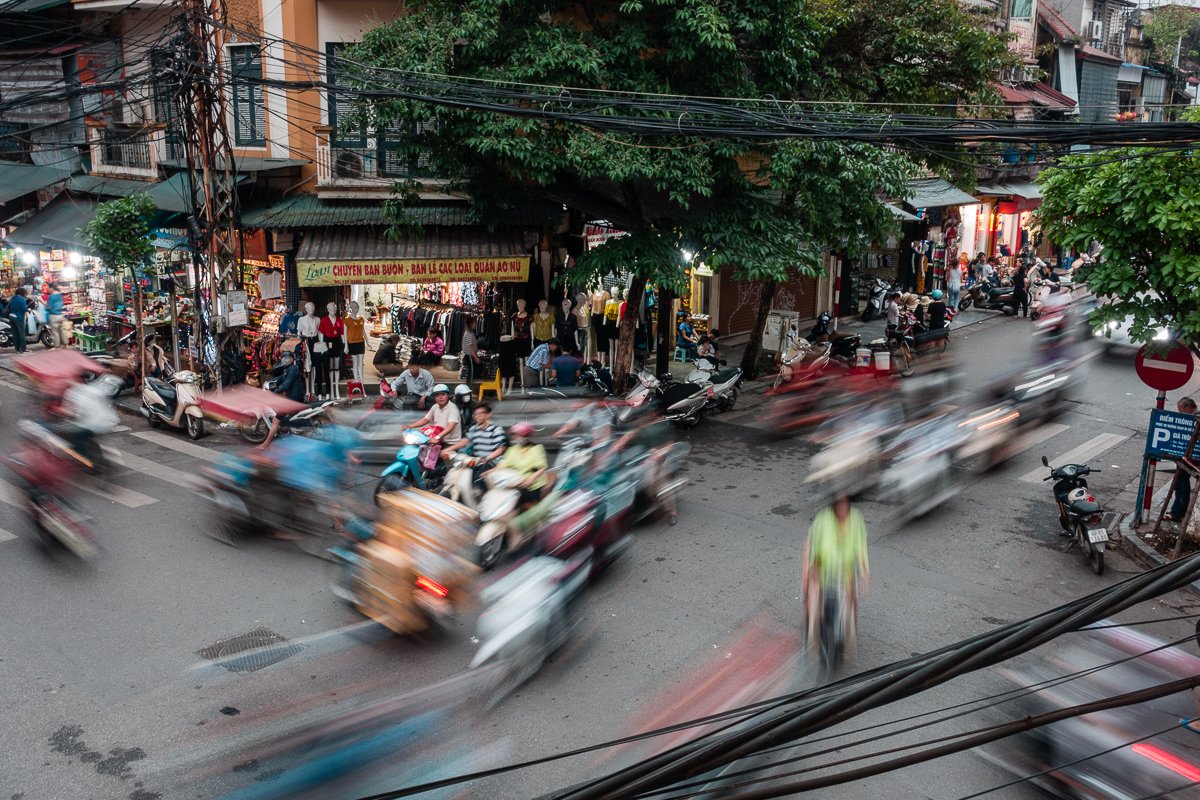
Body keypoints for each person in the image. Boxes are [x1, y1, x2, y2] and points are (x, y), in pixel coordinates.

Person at [801, 492, 869, 661]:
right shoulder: (823, 520)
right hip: (821, 572)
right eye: (839, 505)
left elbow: (861, 549)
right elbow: (811, 546)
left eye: (845, 504)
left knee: (850, 608)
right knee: (813, 607)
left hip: (844, 576)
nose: (843, 509)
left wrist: (864, 572)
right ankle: (810, 632)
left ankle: (846, 638)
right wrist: (808, 575)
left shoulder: (856, 520)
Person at [258, 350, 306, 449]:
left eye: (288, 358)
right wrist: (269, 381)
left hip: (293, 399)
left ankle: (265, 444)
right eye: (284, 358)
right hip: (293, 397)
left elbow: (286, 385)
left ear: (292, 359)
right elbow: (281, 378)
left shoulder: (292, 369)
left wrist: (274, 392)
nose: (285, 360)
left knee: (276, 420)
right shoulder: (287, 369)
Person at [497, 421, 549, 507]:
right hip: (517, 483)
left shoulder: (536, 448)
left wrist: (531, 479)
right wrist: (492, 471)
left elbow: (542, 467)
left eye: (515, 434)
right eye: (513, 435)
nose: (513, 437)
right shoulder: (512, 449)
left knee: (521, 504)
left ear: (524, 435)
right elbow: (503, 464)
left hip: (533, 485)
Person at [447, 403, 507, 469]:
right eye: (476, 414)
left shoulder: (496, 429)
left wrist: (486, 459)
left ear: (488, 414)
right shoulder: (474, 429)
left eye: (481, 413)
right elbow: (463, 441)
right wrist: (447, 450)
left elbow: (500, 449)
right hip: (475, 462)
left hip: (491, 463)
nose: (478, 416)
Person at [1168, 396, 1199, 524]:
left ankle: (1177, 512)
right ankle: (1178, 511)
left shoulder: (1195, 418)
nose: (1180, 414)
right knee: (1181, 482)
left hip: (1193, 457)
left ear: (1188, 407)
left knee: (1180, 481)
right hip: (1191, 456)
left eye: (1181, 411)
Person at [461, 317, 481, 384]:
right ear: (471, 324)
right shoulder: (469, 334)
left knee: (471, 372)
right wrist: (475, 357)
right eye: (474, 323)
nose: (476, 325)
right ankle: (469, 387)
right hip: (470, 356)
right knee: (471, 373)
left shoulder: (469, 332)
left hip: (470, 355)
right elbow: (470, 346)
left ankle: (469, 387)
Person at [8, 287, 28, 353]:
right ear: (22, 293)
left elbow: (9, 307)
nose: (26, 294)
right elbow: (24, 309)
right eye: (25, 293)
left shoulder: (12, 298)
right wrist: (29, 309)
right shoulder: (22, 299)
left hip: (11, 317)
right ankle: (23, 349)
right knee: (21, 333)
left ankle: (17, 349)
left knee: (15, 333)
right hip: (18, 318)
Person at [46, 282, 65, 348]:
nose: (48, 289)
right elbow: (62, 304)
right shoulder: (60, 295)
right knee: (62, 330)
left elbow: (48, 307)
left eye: (48, 288)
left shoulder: (51, 297)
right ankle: (65, 344)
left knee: (55, 331)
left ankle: (57, 346)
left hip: (54, 315)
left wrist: (42, 302)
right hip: (61, 314)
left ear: (51, 288)